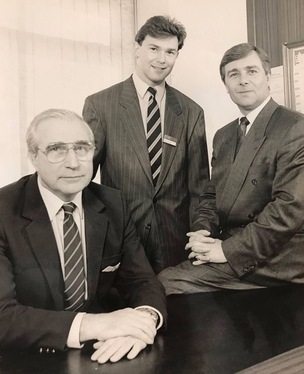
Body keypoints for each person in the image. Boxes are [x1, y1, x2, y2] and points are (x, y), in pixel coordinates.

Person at [0, 109, 167, 364]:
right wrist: (98, 325)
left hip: (99, 353)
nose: (74, 162)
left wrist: (143, 323)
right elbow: (3, 316)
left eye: (82, 148)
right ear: (33, 156)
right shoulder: (4, 210)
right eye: (57, 149)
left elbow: (142, 280)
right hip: (26, 357)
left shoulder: (113, 203)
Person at [158, 42, 304, 294]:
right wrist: (202, 230)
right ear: (226, 86)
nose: (243, 81)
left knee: (166, 284)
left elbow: (288, 209)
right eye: (233, 74)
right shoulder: (223, 136)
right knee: (159, 281)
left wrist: (226, 251)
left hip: (280, 255)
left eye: (252, 71)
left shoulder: (294, 126)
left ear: (267, 77)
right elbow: (212, 196)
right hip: (235, 242)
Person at [82, 15, 209, 274]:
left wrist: (199, 239)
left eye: (170, 52)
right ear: (137, 48)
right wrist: (98, 235)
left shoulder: (191, 112)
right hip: (121, 241)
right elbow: (83, 179)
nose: (161, 59)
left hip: (176, 245)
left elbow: (199, 188)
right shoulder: (101, 105)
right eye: (154, 48)